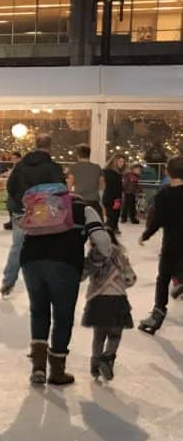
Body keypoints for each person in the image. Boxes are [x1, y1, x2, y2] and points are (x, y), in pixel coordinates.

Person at [21, 190, 112, 385]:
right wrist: (89, 265)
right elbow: (104, 244)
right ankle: (57, 371)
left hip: (30, 262)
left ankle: (38, 368)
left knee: (39, 311)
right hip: (65, 265)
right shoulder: (86, 209)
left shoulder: (43, 206)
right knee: (62, 317)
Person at [1, 135, 66, 298]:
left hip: (20, 211)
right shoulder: (53, 167)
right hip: (43, 212)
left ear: (35, 145)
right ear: (50, 146)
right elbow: (61, 190)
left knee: (18, 247)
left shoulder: (20, 165)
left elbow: (10, 187)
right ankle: (45, 283)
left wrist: (22, 203)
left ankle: (8, 282)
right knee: (46, 248)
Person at [81, 227, 136, 381]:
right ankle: (108, 358)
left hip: (98, 299)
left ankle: (95, 363)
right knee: (115, 334)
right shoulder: (120, 255)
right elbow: (130, 278)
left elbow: (83, 274)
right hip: (118, 298)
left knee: (99, 336)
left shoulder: (94, 255)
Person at [138, 156, 183, 335]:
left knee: (163, 278)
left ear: (167, 172)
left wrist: (145, 235)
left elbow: (157, 221)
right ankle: (181, 278)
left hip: (172, 243)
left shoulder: (164, 195)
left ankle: (157, 314)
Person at [102, 153, 126, 233]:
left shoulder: (116, 173)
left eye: (123, 162)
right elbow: (113, 188)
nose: (121, 164)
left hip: (114, 198)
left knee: (115, 216)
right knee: (112, 217)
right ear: (114, 162)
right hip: (111, 198)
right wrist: (117, 199)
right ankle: (110, 232)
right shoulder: (110, 172)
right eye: (120, 161)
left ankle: (114, 229)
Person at [2, 151, 23, 230]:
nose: (12, 160)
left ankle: (13, 222)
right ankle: (12, 221)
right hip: (13, 190)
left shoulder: (21, 167)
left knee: (12, 206)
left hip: (17, 190)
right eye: (12, 158)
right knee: (10, 206)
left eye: (14, 158)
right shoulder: (16, 166)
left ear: (19, 158)